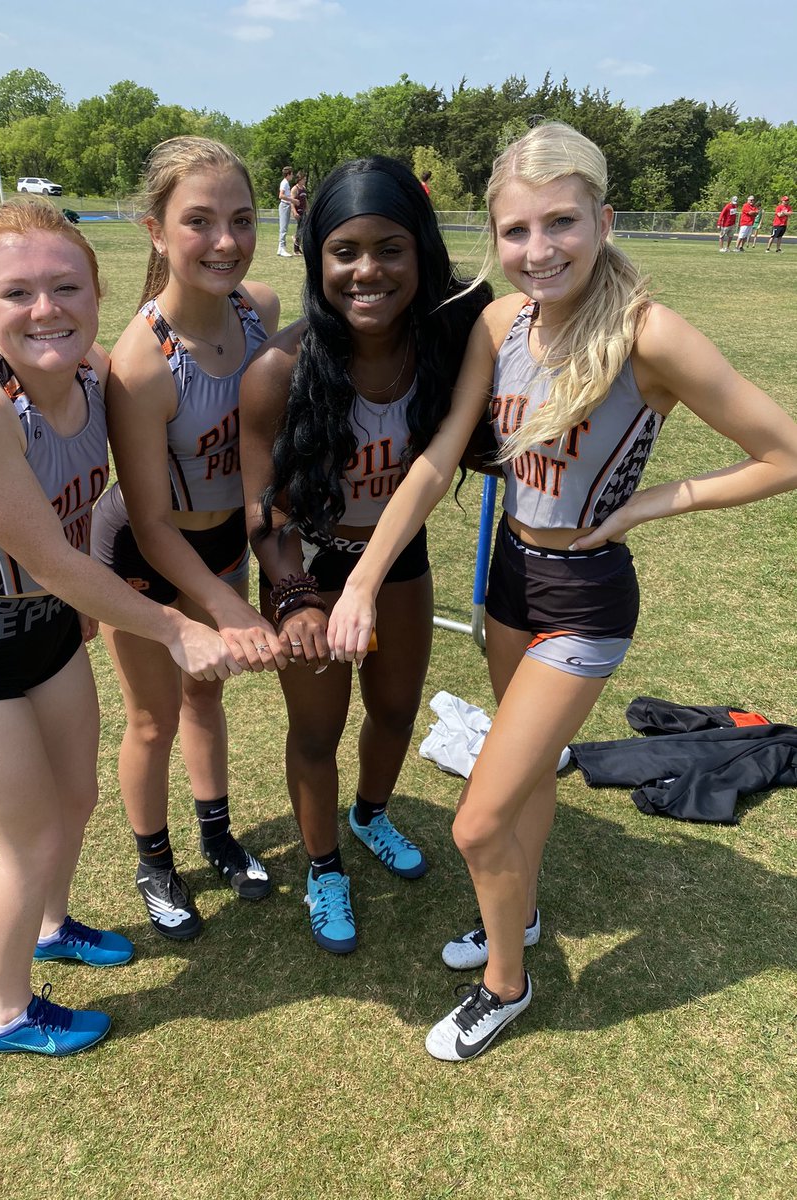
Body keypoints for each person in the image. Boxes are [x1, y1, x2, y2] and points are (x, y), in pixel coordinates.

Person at [325, 122, 797, 1060]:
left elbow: (783, 454)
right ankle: (523, 915)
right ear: (495, 237)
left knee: (479, 817)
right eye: (516, 231)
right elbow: (435, 460)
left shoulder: (647, 333)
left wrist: (655, 503)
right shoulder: (502, 323)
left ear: (604, 219)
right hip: (509, 578)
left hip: (586, 600)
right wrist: (364, 580)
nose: (538, 251)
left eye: (561, 224)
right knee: (526, 772)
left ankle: (507, 984)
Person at [0, 201, 242, 1057]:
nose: (45, 308)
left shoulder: (97, 376)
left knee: (79, 801)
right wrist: (174, 628)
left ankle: (51, 927)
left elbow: (105, 510)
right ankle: (7, 1014)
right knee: (33, 836)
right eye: (17, 292)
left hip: (53, 634)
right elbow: (48, 556)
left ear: (98, 292)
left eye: (65, 286)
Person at [239, 156, 492, 954]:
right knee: (316, 733)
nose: (368, 271)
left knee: (393, 710)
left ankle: (371, 813)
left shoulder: (447, 340)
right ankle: (323, 867)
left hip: (400, 560)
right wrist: (295, 595)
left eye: (391, 248)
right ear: (317, 260)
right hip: (308, 563)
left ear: (421, 251)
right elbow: (261, 514)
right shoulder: (278, 371)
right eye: (345, 251)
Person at [91, 137, 284, 941]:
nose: (226, 241)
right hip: (146, 555)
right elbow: (148, 519)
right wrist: (219, 609)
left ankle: (215, 835)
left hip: (219, 549)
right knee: (152, 719)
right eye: (199, 221)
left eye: (240, 219)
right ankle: (154, 862)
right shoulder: (141, 363)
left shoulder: (259, 311)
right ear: (156, 231)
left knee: (208, 694)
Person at [277, 166, 295, 257]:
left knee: (283, 228)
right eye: (292, 173)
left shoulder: (286, 183)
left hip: (286, 205)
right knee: (283, 228)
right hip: (284, 205)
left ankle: (280, 249)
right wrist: (293, 200)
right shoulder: (284, 183)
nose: (293, 175)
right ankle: (282, 248)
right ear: (288, 174)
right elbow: (281, 195)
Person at [291, 170, 308, 254]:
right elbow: (292, 202)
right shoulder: (295, 189)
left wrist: (308, 210)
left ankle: (298, 246)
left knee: (302, 229)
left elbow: (305, 200)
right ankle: (296, 249)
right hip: (298, 212)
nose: (305, 180)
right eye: (304, 179)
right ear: (300, 179)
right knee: (300, 229)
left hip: (304, 211)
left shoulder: (304, 188)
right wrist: (294, 212)